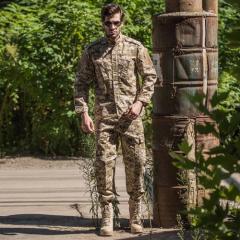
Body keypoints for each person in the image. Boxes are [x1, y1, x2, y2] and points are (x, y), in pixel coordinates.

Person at [74, 3, 157, 236]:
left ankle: (136, 217)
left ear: (122, 22)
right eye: (108, 23)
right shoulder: (93, 51)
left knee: (137, 164)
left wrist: (141, 102)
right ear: (102, 22)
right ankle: (107, 218)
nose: (112, 27)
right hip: (105, 118)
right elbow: (81, 83)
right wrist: (84, 113)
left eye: (116, 22)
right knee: (103, 165)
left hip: (131, 118)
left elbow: (150, 76)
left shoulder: (135, 48)